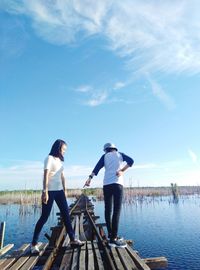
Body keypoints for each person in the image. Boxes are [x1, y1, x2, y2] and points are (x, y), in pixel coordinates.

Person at [31, 139, 84, 253]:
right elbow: (46, 175)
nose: (64, 151)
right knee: (44, 217)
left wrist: (65, 190)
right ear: (58, 148)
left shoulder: (59, 161)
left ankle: (73, 239)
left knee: (66, 215)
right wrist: (45, 191)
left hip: (59, 191)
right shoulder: (49, 158)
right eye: (63, 149)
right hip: (50, 191)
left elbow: (62, 176)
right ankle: (33, 244)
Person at [84, 143, 134, 248]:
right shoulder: (120, 154)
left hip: (106, 185)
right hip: (117, 184)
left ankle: (111, 235)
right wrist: (122, 171)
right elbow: (131, 161)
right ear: (114, 148)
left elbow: (96, 168)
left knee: (108, 210)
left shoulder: (105, 156)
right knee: (116, 211)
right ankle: (113, 239)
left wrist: (89, 178)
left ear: (106, 150)